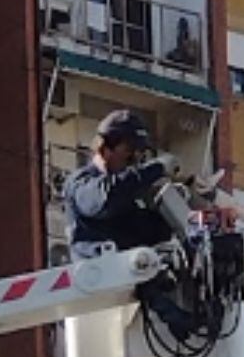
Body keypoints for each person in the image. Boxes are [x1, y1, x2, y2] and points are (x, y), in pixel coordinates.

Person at [64, 110, 173, 257]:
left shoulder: (131, 195)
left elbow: (155, 232)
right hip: (99, 274)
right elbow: (105, 200)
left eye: (141, 151)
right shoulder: (81, 182)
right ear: (105, 147)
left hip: (134, 273)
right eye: (130, 149)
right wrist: (157, 169)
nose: (136, 157)